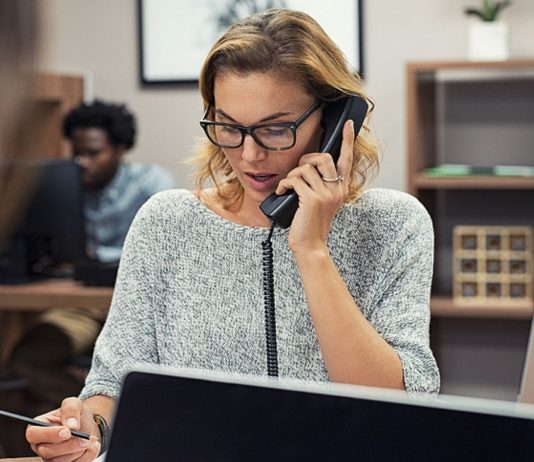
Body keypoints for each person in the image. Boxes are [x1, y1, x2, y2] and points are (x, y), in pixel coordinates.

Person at [26, 8, 439, 460]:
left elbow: (400, 405)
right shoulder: (167, 222)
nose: (250, 154)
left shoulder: (395, 224)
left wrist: (311, 249)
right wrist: (90, 428)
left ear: (335, 120)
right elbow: (111, 383)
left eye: (276, 128)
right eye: (229, 126)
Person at [8, 100, 175, 413]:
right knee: (25, 362)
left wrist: (92, 256)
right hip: (82, 308)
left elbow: (157, 251)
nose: (83, 162)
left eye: (94, 153)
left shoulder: (152, 184)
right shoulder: (60, 187)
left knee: (144, 373)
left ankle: (116, 413)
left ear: (120, 149)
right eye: (77, 153)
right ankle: (99, 413)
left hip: (136, 307)